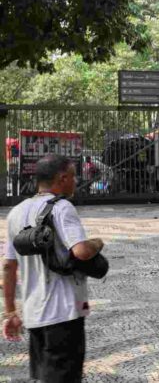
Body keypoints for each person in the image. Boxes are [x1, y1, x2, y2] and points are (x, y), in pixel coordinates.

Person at [3, 154, 105, 382]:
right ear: (62, 178)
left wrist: (10, 312)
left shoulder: (16, 212)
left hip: (34, 315)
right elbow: (81, 251)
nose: (76, 182)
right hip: (64, 312)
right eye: (73, 177)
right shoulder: (62, 207)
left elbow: (9, 267)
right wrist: (98, 242)